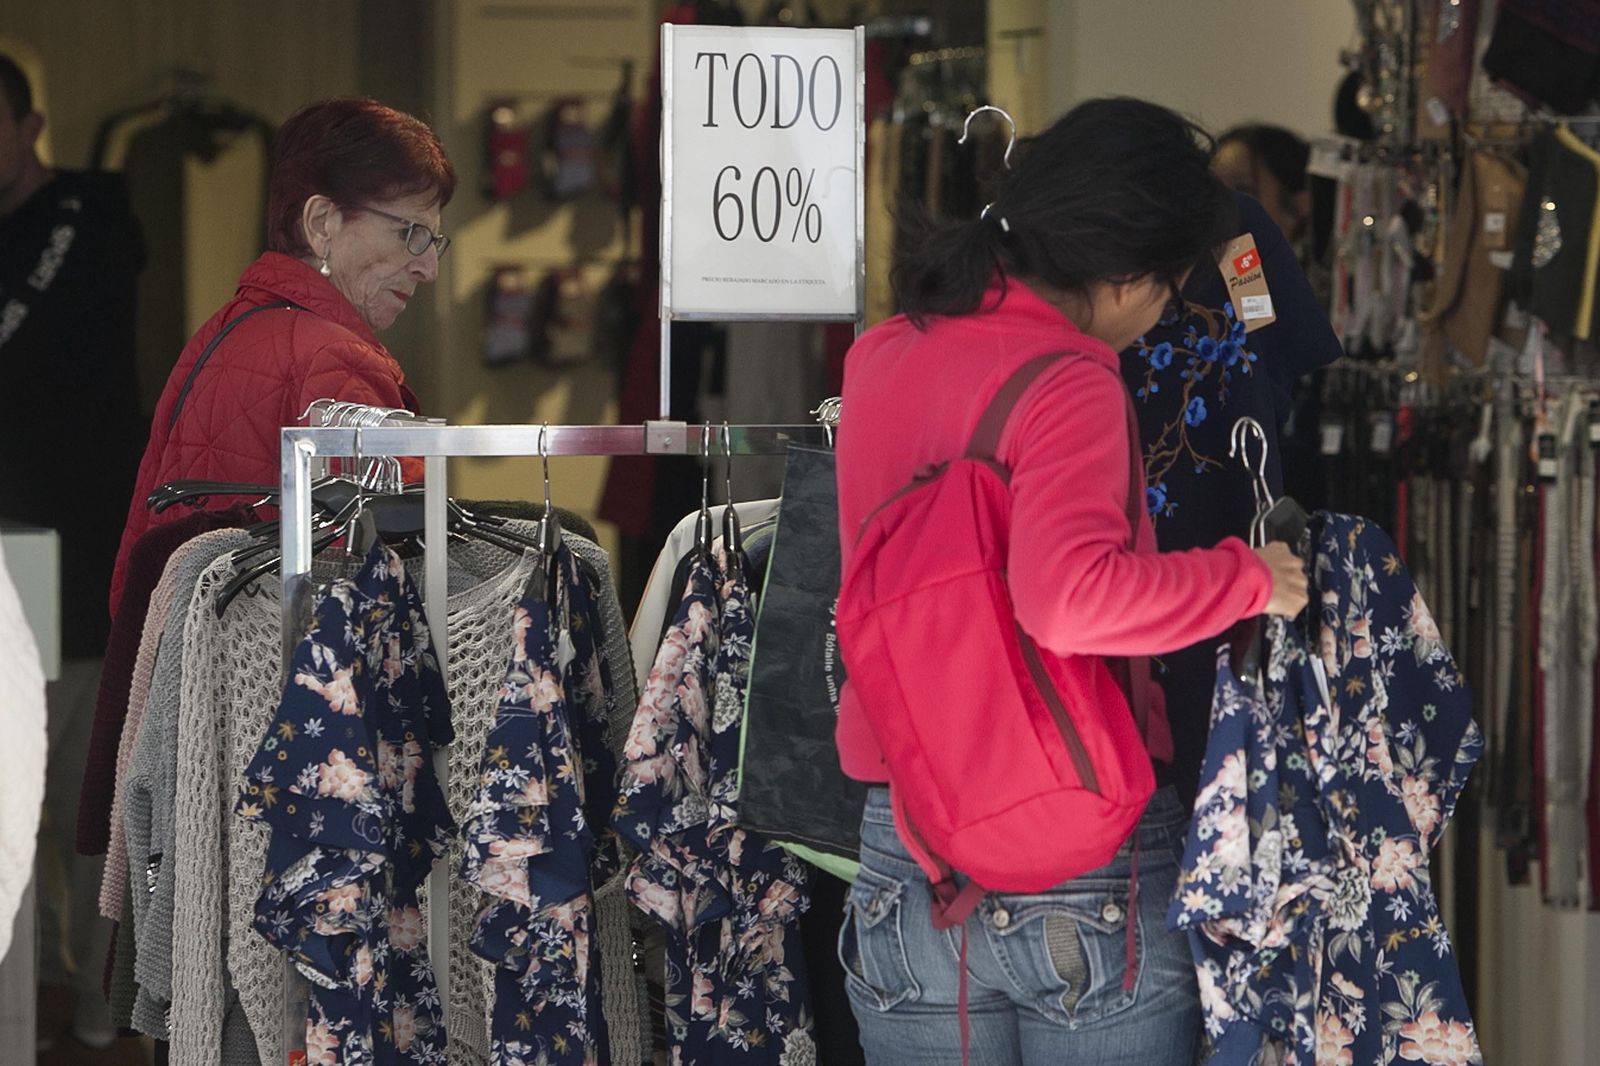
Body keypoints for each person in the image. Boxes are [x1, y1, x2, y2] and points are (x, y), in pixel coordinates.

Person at [833, 97, 1309, 1066]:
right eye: (1167, 288)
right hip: (1070, 841)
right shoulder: (1070, 379)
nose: (1163, 314)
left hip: (907, 841)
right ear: (1126, 272)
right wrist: (1249, 578)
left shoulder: (881, 354)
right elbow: (1070, 598)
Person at [110, 96, 456, 610]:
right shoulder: (338, 360)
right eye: (410, 233)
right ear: (321, 223)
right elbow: (382, 605)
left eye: (433, 241)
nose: (428, 268)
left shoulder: (225, 329)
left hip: (192, 654)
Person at [0, 51, 148, 1056]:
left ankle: (100, 1015)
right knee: (18, 801)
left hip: (83, 552)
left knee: (84, 806)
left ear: (31, 125)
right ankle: (44, 995)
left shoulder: (88, 219)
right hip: (12, 558)